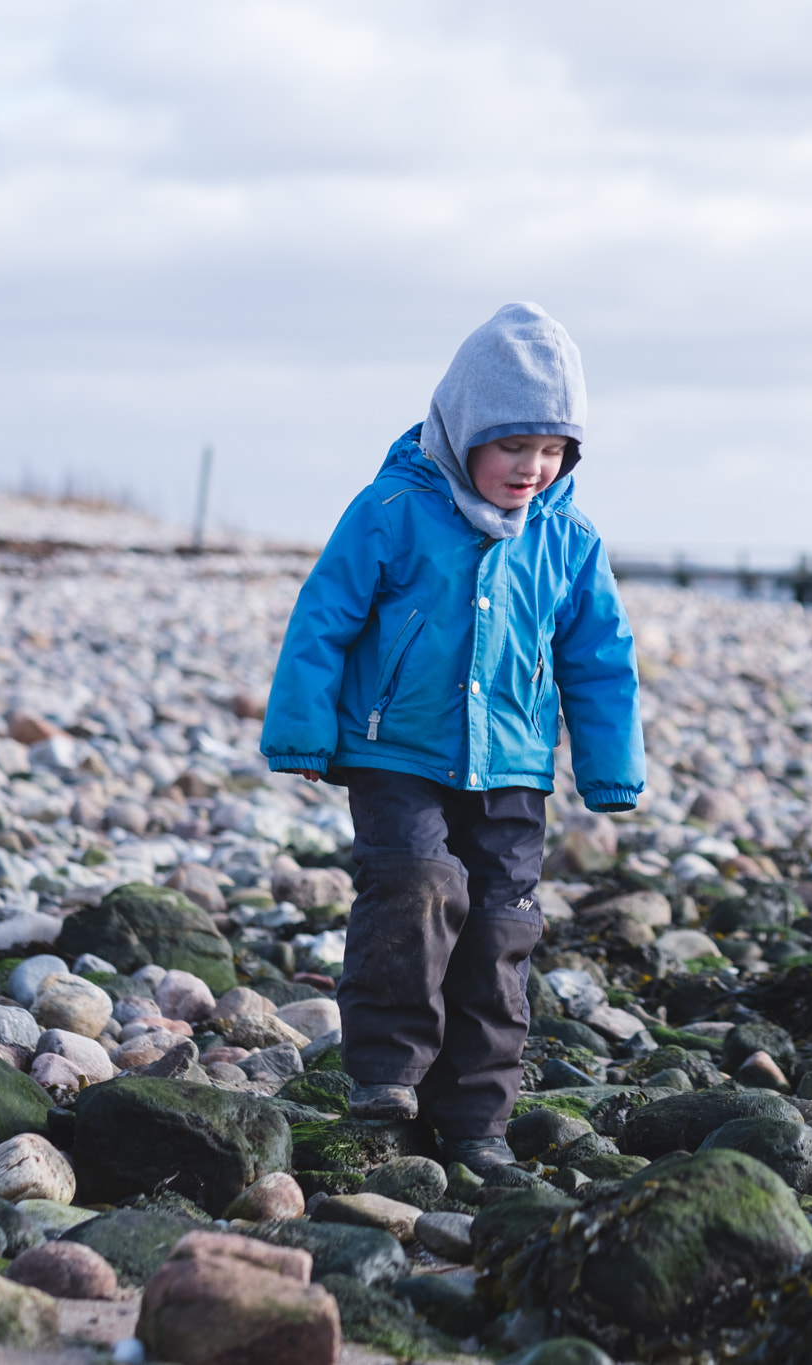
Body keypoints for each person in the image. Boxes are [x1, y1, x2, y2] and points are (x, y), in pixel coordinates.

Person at [259, 302, 643, 1173]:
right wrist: (303, 731)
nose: (531, 468)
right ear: (465, 427)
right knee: (415, 881)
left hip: (511, 761)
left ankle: (476, 1116)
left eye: (552, 451)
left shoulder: (569, 539)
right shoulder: (393, 507)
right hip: (397, 749)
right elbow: (324, 616)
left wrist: (610, 764)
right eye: (513, 446)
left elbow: (599, 657)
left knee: (502, 925)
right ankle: (388, 1070)